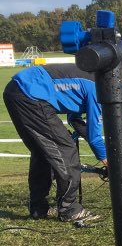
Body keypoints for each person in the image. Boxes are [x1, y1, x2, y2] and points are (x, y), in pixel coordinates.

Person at [3, 62, 108, 223]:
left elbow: (74, 120)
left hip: (15, 90)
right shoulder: (100, 90)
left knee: (42, 152)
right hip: (33, 93)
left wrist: (91, 140)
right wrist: (107, 158)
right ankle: (69, 209)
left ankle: (38, 209)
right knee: (66, 150)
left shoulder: (95, 78)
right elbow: (95, 136)